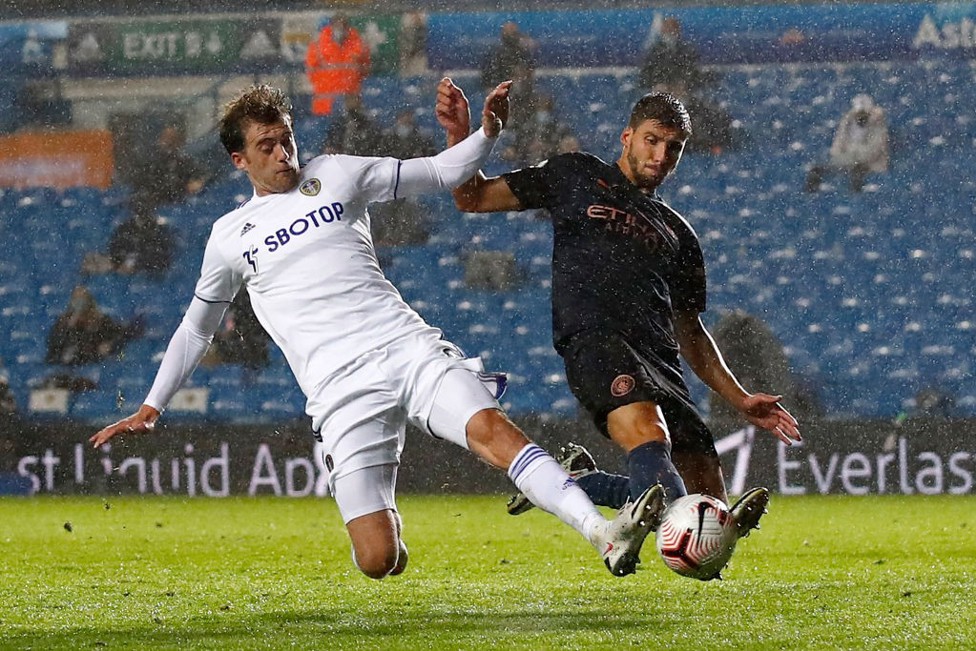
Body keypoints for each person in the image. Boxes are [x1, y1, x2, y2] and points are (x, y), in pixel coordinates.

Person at [89, 80, 666, 580]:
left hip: (405, 348)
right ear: (239, 160)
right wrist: (152, 406)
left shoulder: (337, 173)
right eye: (266, 146)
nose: (283, 152)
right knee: (377, 560)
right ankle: (428, 522)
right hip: (339, 390)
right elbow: (197, 328)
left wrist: (485, 133)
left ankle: (602, 531)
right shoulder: (228, 237)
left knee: (492, 429)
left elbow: (445, 173)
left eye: (286, 137)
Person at [446, 91, 802, 537]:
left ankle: (575, 481)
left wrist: (741, 398)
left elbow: (690, 331)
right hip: (596, 340)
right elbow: (472, 198)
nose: (661, 155)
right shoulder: (575, 174)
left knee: (707, 517)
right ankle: (585, 485)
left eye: (674, 148)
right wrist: (464, 135)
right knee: (667, 468)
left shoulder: (679, 234)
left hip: (663, 363)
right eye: (652, 140)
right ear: (627, 137)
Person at [806, 94, 889, 193]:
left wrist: (855, 156)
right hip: (848, 159)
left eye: (863, 114)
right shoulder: (847, 122)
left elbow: (874, 151)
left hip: (869, 163)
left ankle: (856, 197)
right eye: (859, 114)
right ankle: (811, 195)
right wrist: (843, 158)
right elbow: (838, 145)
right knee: (816, 170)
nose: (861, 118)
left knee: (857, 172)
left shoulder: (878, 126)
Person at [46, 285, 143, 368]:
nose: (79, 305)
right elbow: (55, 346)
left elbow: (119, 337)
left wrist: (109, 346)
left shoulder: (101, 321)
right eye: (76, 301)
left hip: (92, 364)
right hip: (68, 366)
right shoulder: (64, 323)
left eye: (83, 301)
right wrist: (70, 325)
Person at [305, 12, 371, 117]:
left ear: (347, 27)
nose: (340, 29)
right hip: (325, 107)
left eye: (343, 25)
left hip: (351, 106)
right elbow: (311, 73)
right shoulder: (318, 46)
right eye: (337, 25)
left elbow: (365, 71)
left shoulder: (359, 45)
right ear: (331, 26)